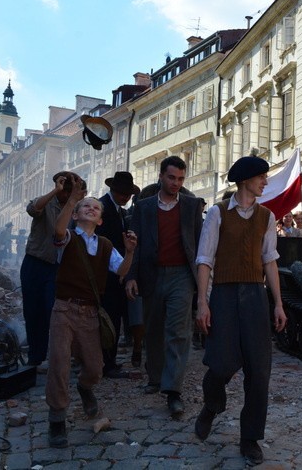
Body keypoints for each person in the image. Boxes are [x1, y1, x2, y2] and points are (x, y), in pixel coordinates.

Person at [193, 155, 287, 466]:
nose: (265, 182)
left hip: (255, 297)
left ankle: (250, 439)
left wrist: (278, 303)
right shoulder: (218, 214)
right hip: (223, 294)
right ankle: (212, 404)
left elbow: (270, 260)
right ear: (245, 179)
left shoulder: (266, 217)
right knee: (222, 363)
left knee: (259, 370)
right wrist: (202, 302)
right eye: (261, 177)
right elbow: (205, 259)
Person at [46, 184, 137, 448]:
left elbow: (121, 270)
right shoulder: (69, 237)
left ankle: (85, 388)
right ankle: (57, 419)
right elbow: (58, 230)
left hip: (89, 313)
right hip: (64, 308)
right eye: (85, 205)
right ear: (76, 215)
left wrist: (130, 252)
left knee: (95, 368)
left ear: (100, 219)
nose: (91, 208)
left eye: (95, 207)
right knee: (59, 364)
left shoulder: (106, 244)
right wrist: (72, 198)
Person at [125, 156, 203, 417]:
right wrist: (131, 276)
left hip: (182, 275)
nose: (176, 183)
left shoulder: (192, 206)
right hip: (152, 273)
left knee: (179, 332)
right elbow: (134, 246)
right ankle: (156, 377)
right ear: (161, 176)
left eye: (181, 179)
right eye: (172, 178)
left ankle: (173, 391)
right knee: (154, 328)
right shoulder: (144, 207)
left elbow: (199, 245)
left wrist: (203, 281)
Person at [21, 171, 85, 368]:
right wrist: (54, 191)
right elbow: (32, 209)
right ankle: (35, 356)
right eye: (63, 189)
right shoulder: (46, 202)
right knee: (33, 311)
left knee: (54, 311)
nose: (66, 194)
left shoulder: (77, 209)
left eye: (69, 190)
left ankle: (58, 356)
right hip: (35, 262)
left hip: (58, 268)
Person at [95, 172, 141, 379]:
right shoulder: (103, 208)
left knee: (113, 319)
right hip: (106, 274)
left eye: (128, 194)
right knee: (108, 320)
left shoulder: (119, 211)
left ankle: (108, 360)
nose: (125, 197)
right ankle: (105, 362)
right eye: (122, 193)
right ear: (113, 190)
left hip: (116, 273)